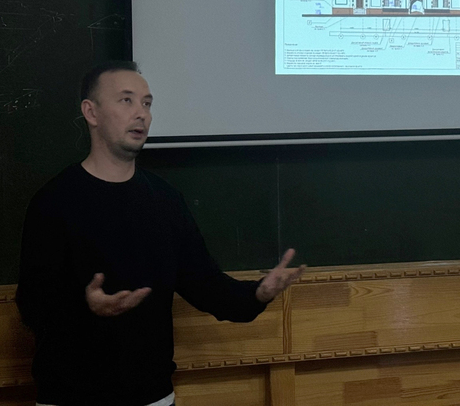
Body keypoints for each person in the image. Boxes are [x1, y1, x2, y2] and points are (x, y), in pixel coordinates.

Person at [16, 61, 304, 406]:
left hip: (153, 395)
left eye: (147, 103)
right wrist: (87, 306)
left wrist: (258, 293)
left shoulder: (165, 201)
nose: (141, 113)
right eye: (126, 100)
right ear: (91, 112)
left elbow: (206, 286)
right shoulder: (54, 201)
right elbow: (31, 305)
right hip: (70, 396)